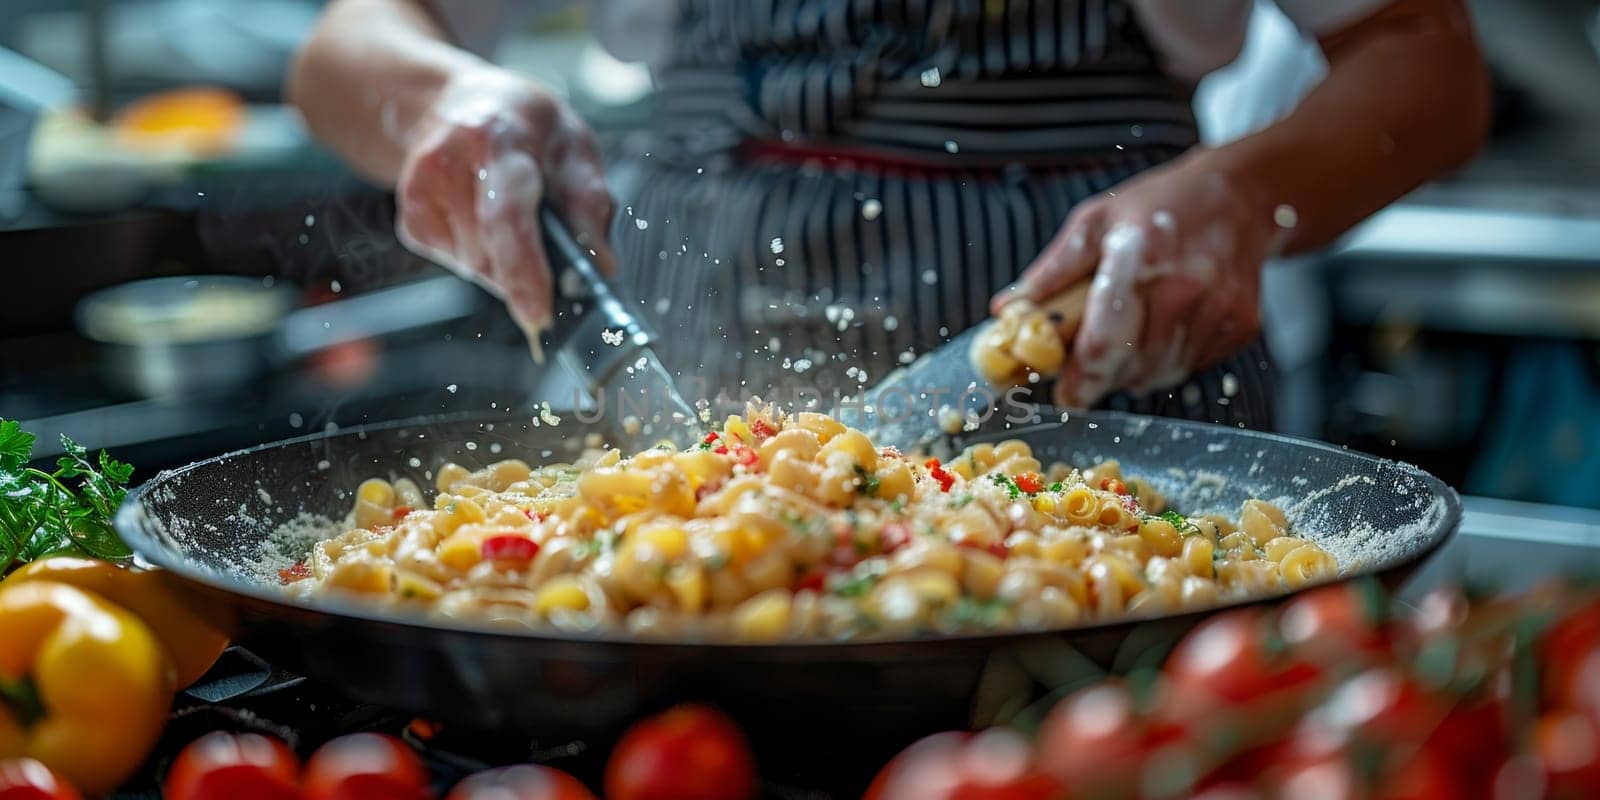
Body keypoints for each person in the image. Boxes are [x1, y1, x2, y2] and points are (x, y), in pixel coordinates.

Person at [287, 0, 1489, 427]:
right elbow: (348, 43)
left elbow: (1427, 63)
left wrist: (1233, 198)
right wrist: (446, 103)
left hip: (1124, 412)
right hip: (675, 384)